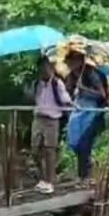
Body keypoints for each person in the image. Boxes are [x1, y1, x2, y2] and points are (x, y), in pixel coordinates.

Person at [64, 51, 108, 188]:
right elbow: (68, 92)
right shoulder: (72, 76)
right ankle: (86, 172)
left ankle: (85, 176)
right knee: (74, 142)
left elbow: (102, 94)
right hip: (78, 110)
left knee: (84, 143)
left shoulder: (91, 73)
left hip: (91, 112)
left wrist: (84, 89)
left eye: (71, 61)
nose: (68, 64)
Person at [30, 57, 73, 194]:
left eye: (46, 67)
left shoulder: (57, 83)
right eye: (41, 68)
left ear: (51, 68)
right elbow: (33, 98)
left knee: (49, 150)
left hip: (52, 120)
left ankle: (50, 181)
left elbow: (66, 99)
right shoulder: (37, 83)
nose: (44, 71)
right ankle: (42, 179)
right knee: (35, 150)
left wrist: (73, 105)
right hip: (38, 118)